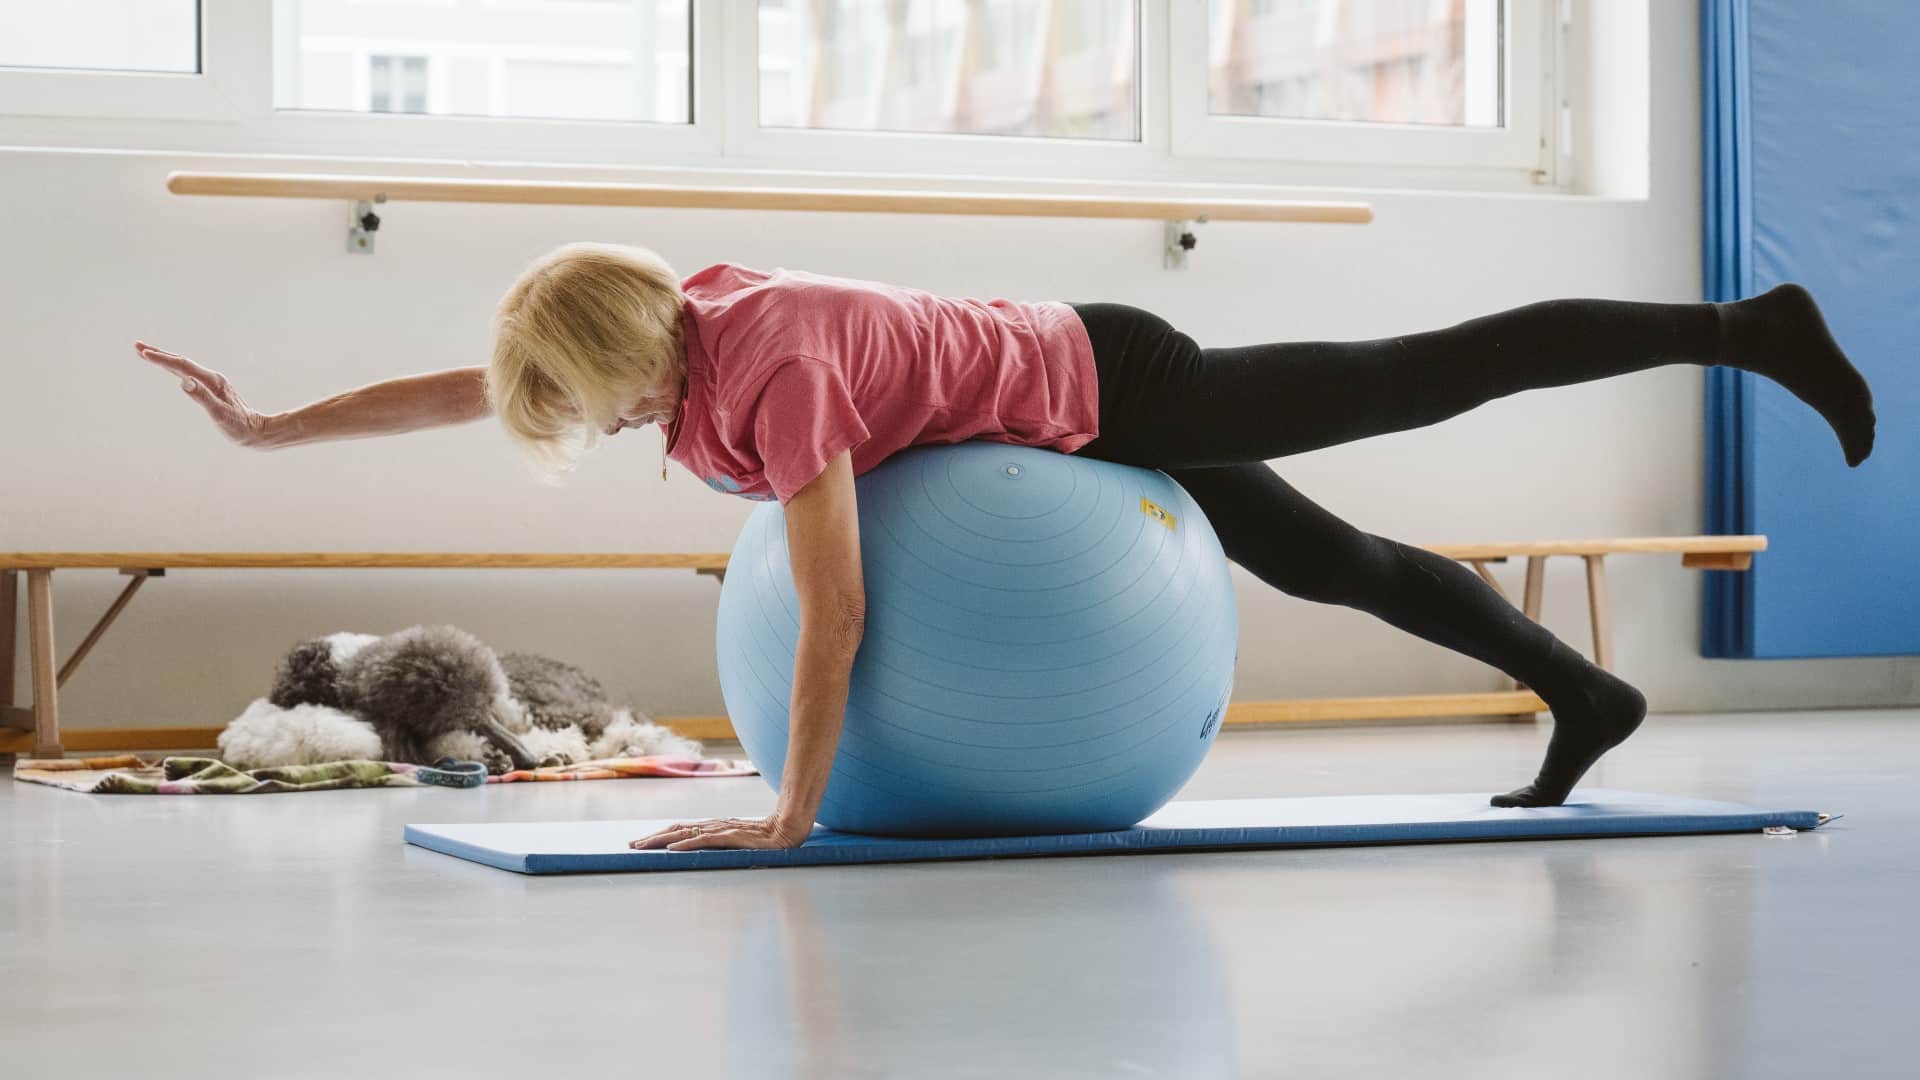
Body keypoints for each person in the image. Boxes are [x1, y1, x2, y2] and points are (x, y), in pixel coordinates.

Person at [135, 242, 1877, 851]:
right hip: (1059, 412)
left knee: (1428, 379)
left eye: (578, 407)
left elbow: (836, 622)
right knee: (1331, 562)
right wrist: (276, 424)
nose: (572, 426)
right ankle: (1584, 691)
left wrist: (792, 807)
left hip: (1120, 380)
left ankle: (1747, 326)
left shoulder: (786, 376)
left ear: (637, 364)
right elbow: (475, 377)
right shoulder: (666, 316)